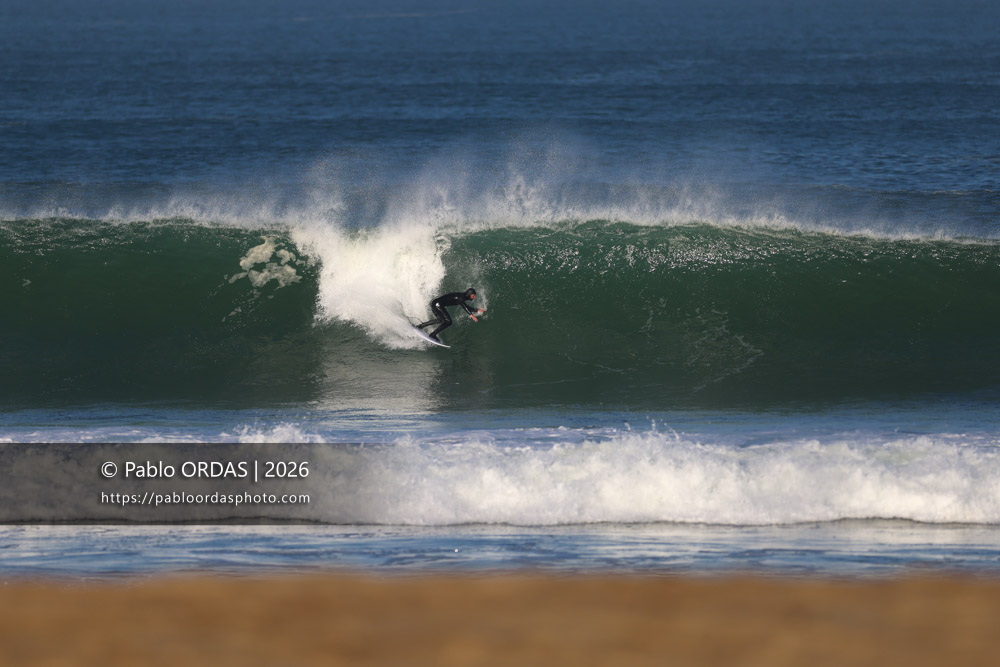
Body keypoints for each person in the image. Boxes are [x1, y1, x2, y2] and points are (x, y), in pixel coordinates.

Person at [417, 288, 485, 341]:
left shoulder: (462, 297)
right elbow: (464, 306)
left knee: (441, 320)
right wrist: (471, 315)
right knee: (448, 321)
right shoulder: (461, 297)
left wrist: (477, 310)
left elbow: (466, 306)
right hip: (437, 304)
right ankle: (431, 333)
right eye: (473, 296)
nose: (474, 297)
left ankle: (421, 326)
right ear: (469, 294)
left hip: (437, 303)